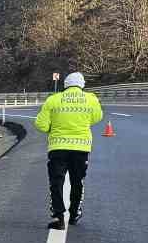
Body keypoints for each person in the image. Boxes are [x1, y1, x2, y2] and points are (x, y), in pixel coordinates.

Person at [33, 71, 103, 230]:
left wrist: (53, 129)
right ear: (82, 85)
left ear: (65, 85)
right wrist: (82, 122)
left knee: (56, 181)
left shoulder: (53, 99)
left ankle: (58, 217)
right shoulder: (90, 99)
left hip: (58, 147)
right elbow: (97, 117)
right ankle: (74, 214)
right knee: (77, 181)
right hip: (81, 148)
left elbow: (40, 124)